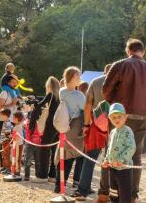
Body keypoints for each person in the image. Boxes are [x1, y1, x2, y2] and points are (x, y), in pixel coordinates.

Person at [103, 39, 146, 202]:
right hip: (143, 117)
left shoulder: (120, 65)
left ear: (128, 50)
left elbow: (106, 90)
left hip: (121, 115)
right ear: (142, 51)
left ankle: (112, 192)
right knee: (135, 155)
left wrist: (115, 108)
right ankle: (132, 195)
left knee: (114, 150)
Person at [72, 64, 112, 200]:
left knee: (90, 159)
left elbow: (88, 104)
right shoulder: (120, 80)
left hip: (97, 124)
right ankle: (108, 191)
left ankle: (82, 191)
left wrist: (87, 124)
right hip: (115, 123)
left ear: (104, 71)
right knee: (111, 158)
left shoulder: (95, 81)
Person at [54, 66, 86, 194]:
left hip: (63, 126)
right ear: (72, 77)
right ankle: (77, 183)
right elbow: (86, 111)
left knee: (63, 154)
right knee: (75, 155)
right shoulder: (79, 95)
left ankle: (59, 184)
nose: (80, 78)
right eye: (78, 76)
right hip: (75, 127)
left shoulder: (61, 91)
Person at [102, 103, 136, 203]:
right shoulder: (112, 132)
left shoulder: (128, 131)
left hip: (124, 168)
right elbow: (109, 148)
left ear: (125, 117)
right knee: (113, 192)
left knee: (124, 194)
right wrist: (106, 160)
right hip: (112, 167)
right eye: (113, 117)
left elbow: (131, 147)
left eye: (119, 116)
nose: (117, 119)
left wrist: (121, 160)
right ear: (109, 119)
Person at [35, 76, 60, 182]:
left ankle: (42, 175)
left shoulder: (50, 95)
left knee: (44, 150)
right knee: (54, 150)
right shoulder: (60, 96)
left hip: (49, 125)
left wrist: (34, 102)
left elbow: (39, 106)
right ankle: (52, 175)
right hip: (57, 126)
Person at [23, 113, 41, 181]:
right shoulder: (28, 122)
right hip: (31, 143)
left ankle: (30, 176)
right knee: (31, 160)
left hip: (35, 143)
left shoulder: (29, 122)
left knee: (33, 160)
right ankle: (28, 176)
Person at [0, 109, 13, 175]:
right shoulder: (5, 122)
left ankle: (8, 168)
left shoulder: (8, 123)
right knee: (4, 155)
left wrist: (5, 139)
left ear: (5, 116)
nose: (0, 116)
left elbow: (8, 134)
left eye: (1, 115)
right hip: (3, 141)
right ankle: (5, 167)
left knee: (7, 155)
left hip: (6, 141)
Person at [12, 111, 25, 176]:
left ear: (17, 119)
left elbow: (17, 136)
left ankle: (17, 171)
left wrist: (11, 136)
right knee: (16, 157)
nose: (13, 119)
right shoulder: (17, 126)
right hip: (17, 144)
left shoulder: (18, 126)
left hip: (18, 144)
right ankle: (16, 170)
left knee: (17, 158)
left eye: (14, 118)